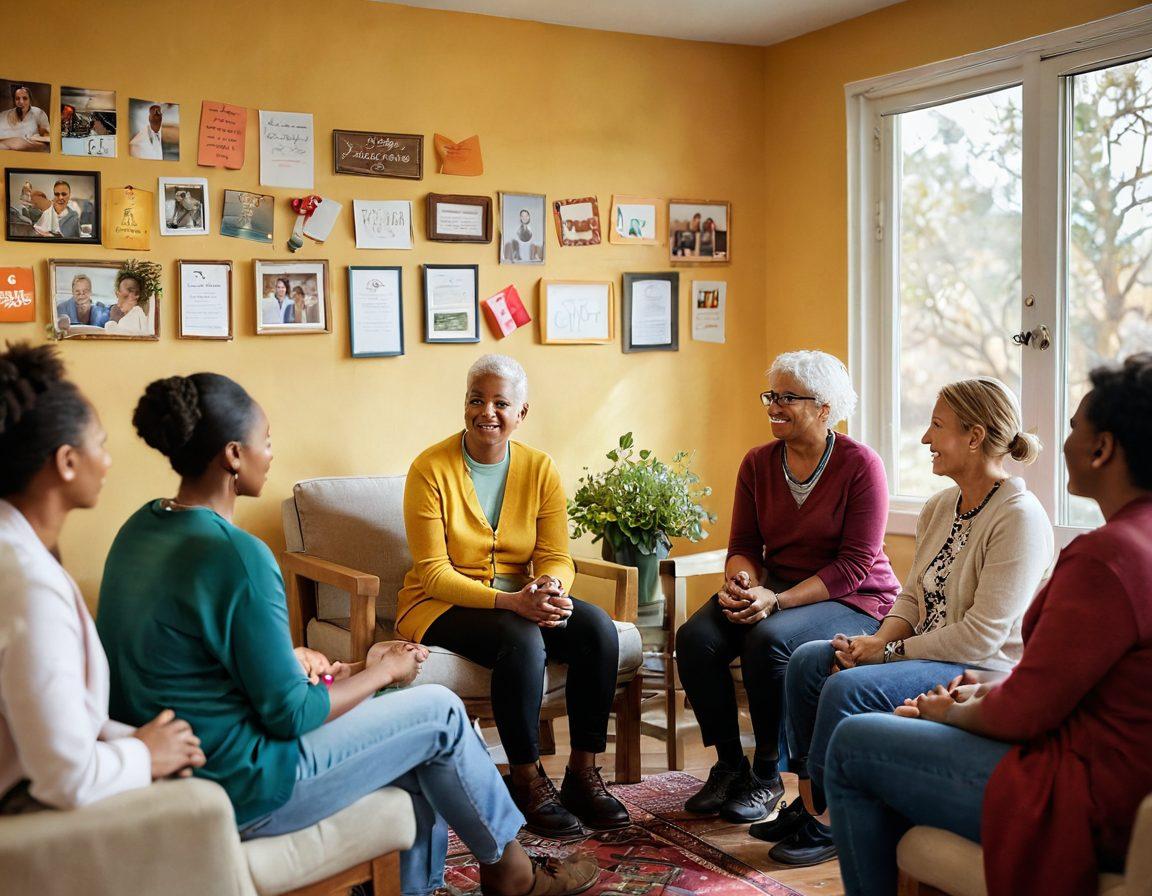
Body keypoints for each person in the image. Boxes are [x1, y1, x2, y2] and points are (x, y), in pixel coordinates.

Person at [96, 372, 598, 896]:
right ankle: (514, 875)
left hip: (174, 769)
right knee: (441, 714)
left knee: (416, 742)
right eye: (265, 441)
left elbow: (194, 659)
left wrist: (302, 662)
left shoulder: (140, 529)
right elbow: (291, 715)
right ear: (233, 456)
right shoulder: (239, 556)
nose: (271, 452)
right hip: (244, 782)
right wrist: (384, 671)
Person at [824, 353, 1152, 896]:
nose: (1059, 442)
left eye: (1073, 428)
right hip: (1118, 769)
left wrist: (948, 711)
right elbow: (1077, 683)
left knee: (855, 741)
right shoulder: (1131, 544)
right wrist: (985, 690)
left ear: (1103, 448)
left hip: (1094, 790)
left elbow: (1027, 710)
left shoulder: (1106, 557)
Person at [759, 377, 1053, 866]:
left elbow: (982, 635)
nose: (925, 439)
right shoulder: (941, 506)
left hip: (977, 665)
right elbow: (912, 596)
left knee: (845, 689)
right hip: (922, 650)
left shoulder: (1018, 518)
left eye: (936, 426)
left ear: (974, 436)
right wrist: (873, 642)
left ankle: (832, 821)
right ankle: (812, 802)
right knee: (811, 659)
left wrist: (886, 653)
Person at [399, 354, 629, 839]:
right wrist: (513, 603)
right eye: (476, 400)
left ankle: (583, 775)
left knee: (596, 628)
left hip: (520, 598)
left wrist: (550, 587)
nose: (487, 411)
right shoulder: (429, 469)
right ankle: (526, 779)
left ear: (521, 413)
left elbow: (555, 555)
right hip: (440, 604)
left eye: (501, 403)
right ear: (464, 405)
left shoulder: (540, 468)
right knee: (522, 637)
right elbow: (434, 573)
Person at [676, 350, 899, 824]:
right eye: (771, 396)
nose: (774, 406)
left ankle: (766, 773)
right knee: (694, 639)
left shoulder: (862, 466)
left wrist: (774, 600)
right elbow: (742, 544)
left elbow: (854, 566)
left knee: (769, 639)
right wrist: (743, 581)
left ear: (824, 407)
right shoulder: (757, 463)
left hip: (854, 598)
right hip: (774, 589)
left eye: (787, 398)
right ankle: (729, 766)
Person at [0, 342, 205, 815]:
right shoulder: (30, 585)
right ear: (67, 462)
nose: (108, 461)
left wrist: (132, 738)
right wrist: (145, 753)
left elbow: (46, 718)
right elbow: (64, 778)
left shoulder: (19, 552)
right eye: (101, 444)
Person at [0, 84, 50, 151]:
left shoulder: (38, 113)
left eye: (25, 98)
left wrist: (33, 138)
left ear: (30, 100)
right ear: (14, 101)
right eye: (17, 99)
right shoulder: (4, 115)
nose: (21, 102)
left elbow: (48, 138)